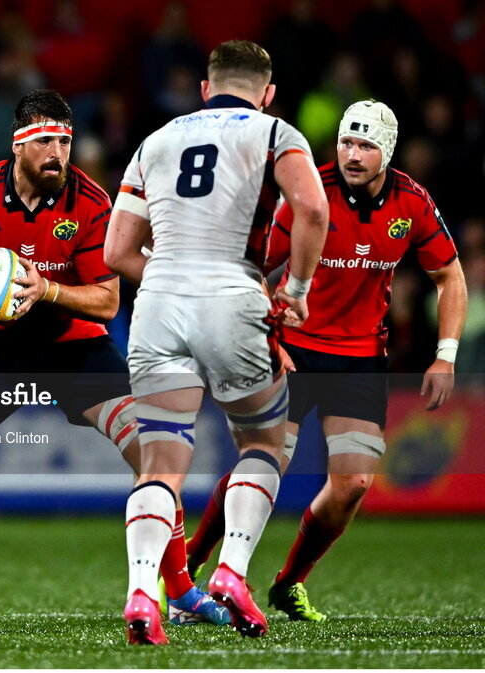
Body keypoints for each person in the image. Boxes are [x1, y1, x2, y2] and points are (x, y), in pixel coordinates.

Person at [0, 89, 229, 630]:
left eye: (65, 141)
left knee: (153, 455)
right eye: (46, 141)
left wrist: (47, 290)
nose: (59, 153)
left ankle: (182, 591)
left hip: (74, 347)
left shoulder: (93, 202)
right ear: (18, 145)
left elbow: (107, 299)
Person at [183, 99, 467, 622]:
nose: (353, 155)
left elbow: (450, 276)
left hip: (360, 358)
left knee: (354, 483)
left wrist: (444, 356)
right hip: (291, 349)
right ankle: (185, 569)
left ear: (389, 152)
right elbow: (252, 268)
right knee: (264, 463)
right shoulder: (308, 191)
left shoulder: (413, 203)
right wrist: (262, 332)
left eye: (366, 146)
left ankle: (288, 583)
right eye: (346, 142)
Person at [104, 40, 329, 644]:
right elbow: (311, 208)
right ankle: (231, 572)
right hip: (234, 295)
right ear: (268, 92)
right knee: (265, 439)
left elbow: (116, 252)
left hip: (158, 302)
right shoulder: (276, 131)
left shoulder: (156, 140)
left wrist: (171, 279)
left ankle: (141, 596)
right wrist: (298, 291)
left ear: (205, 88)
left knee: (159, 464)